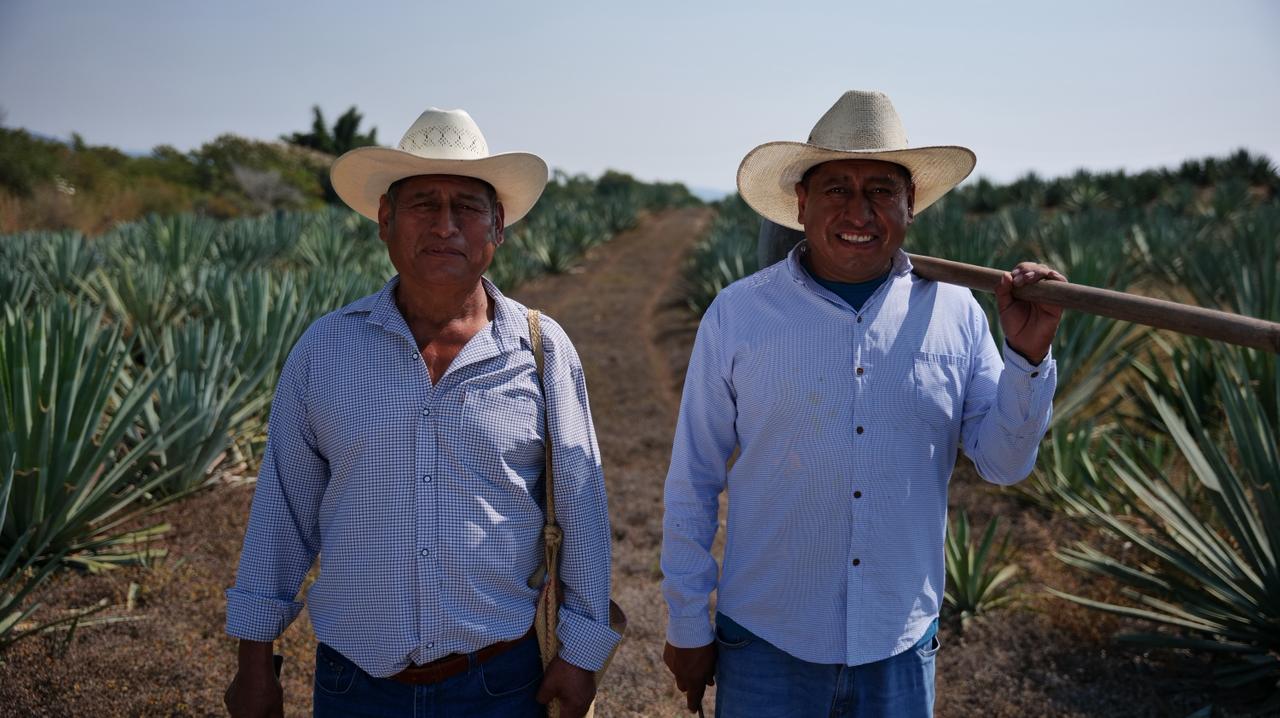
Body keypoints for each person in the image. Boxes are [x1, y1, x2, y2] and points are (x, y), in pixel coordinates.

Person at [660, 90, 1065, 718]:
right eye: (836, 190)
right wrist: (687, 624)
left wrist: (1028, 359)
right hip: (767, 638)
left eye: (881, 190)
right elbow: (694, 478)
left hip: (898, 645)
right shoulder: (739, 315)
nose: (859, 211)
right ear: (800, 204)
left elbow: (1005, 464)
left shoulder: (955, 313)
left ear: (911, 206)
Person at [224, 107, 619, 718]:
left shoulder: (541, 351)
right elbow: (282, 513)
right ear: (385, 220)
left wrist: (582, 654)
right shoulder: (325, 350)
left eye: (466, 206)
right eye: (423, 204)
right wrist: (254, 662)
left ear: (498, 227)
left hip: (503, 681)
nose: (445, 225)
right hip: (354, 684)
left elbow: (583, 512)